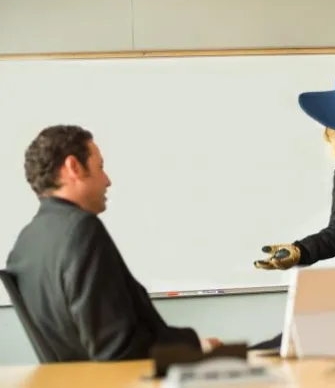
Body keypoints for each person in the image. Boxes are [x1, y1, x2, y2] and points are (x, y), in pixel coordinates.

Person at [5, 125, 221, 361]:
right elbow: (118, 349)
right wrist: (198, 346)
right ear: (73, 167)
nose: (107, 181)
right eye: (100, 167)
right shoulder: (81, 229)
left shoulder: (24, 245)